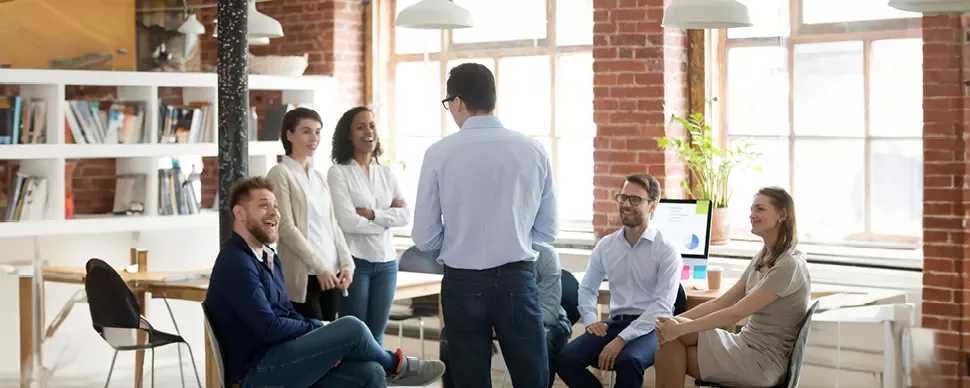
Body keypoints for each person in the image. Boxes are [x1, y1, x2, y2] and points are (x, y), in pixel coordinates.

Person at [203, 176, 445, 387]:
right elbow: (267, 327)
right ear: (240, 213)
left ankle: (388, 368)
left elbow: (285, 312)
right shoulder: (236, 262)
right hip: (255, 372)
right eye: (263, 205)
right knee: (352, 327)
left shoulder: (268, 257)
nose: (274, 212)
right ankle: (397, 366)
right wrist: (317, 328)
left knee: (371, 372)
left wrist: (320, 342)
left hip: (280, 357)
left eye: (275, 206)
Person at [411, 62, 558, 388]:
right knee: (532, 380)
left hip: (462, 283)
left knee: (470, 381)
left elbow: (424, 237)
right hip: (517, 280)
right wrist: (513, 232)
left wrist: (460, 239)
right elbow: (548, 231)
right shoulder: (532, 149)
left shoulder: (438, 153)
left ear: (457, 101)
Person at [654, 186, 810, 388]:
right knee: (670, 342)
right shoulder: (764, 256)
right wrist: (670, 323)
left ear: (781, 215)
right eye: (752, 209)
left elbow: (735, 313)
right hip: (744, 345)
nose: (752, 215)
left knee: (672, 344)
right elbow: (720, 303)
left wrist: (679, 329)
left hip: (762, 363)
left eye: (760, 209)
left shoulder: (789, 265)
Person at [555, 173, 682, 388]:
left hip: (651, 327)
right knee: (566, 359)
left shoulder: (666, 250)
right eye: (623, 197)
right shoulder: (606, 246)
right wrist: (591, 320)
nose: (626, 204)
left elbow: (662, 307)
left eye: (635, 199)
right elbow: (587, 288)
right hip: (615, 323)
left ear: (653, 206)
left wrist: (622, 339)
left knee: (628, 361)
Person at [327, 106, 411, 345]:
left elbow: (405, 216)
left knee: (377, 335)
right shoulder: (338, 172)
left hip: (387, 263)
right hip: (356, 263)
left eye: (372, 125)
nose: (369, 131)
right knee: (354, 335)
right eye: (360, 127)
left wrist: (372, 214)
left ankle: (376, 371)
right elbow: (347, 222)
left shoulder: (386, 172)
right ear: (348, 134)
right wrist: (386, 220)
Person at [437, 242, 572, 388]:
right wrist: (485, 329)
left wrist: (500, 326)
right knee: (449, 340)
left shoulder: (546, 254)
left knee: (544, 341)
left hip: (544, 320)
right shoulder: (486, 254)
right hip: (497, 317)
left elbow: (550, 312)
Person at [266, 107, 354, 321]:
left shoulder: (319, 176)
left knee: (332, 336)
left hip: (331, 273)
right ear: (289, 135)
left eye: (317, 132)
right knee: (312, 336)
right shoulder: (280, 173)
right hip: (305, 274)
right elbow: (286, 226)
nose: (314, 138)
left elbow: (332, 225)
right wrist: (319, 267)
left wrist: (347, 264)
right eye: (306, 131)